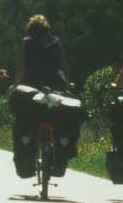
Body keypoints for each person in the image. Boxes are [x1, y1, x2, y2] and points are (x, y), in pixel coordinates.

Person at [11, 15, 75, 177]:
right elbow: (63, 66)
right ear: (47, 28)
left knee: (24, 120)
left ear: (30, 29)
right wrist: (68, 86)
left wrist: (16, 86)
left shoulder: (27, 42)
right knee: (61, 118)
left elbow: (21, 67)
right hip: (55, 87)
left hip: (31, 88)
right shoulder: (56, 42)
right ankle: (61, 157)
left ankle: (26, 157)